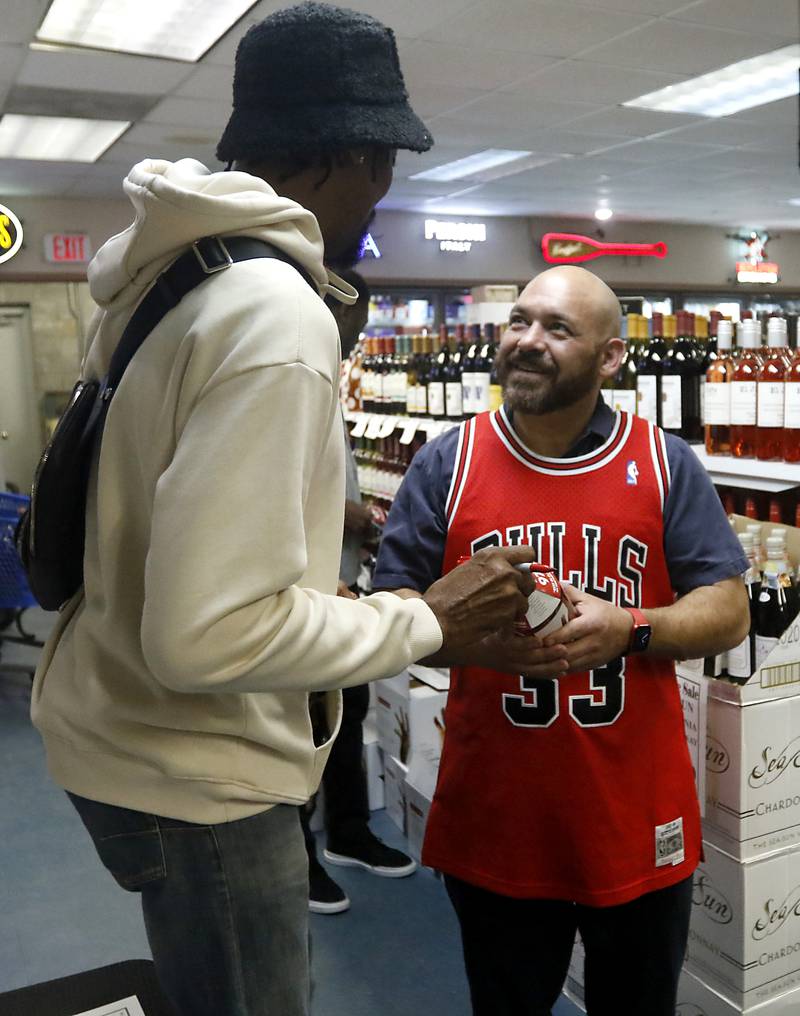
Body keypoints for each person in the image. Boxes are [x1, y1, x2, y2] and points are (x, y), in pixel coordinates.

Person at [29, 6, 540, 1016]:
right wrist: (429, 618)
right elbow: (209, 633)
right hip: (203, 775)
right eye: (385, 164)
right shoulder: (273, 311)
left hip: (120, 727)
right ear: (352, 152)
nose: (383, 193)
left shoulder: (176, 274)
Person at [373, 265, 751, 1016]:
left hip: (637, 814)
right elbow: (389, 610)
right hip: (499, 815)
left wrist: (632, 627)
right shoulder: (447, 462)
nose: (528, 341)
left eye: (557, 329)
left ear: (611, 356)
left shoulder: (664, 463)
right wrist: (473, 645)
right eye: (519, 321)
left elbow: (731, 607)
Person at [302, 269, 416, 915]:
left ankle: (349, 832)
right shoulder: (287, 371)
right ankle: (301, 859)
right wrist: (340, 517)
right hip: (302, 597)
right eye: (355, 317)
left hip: (342, 589)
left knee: (348, 713)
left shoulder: (323, 376)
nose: (359, 333)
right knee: (303, 725)